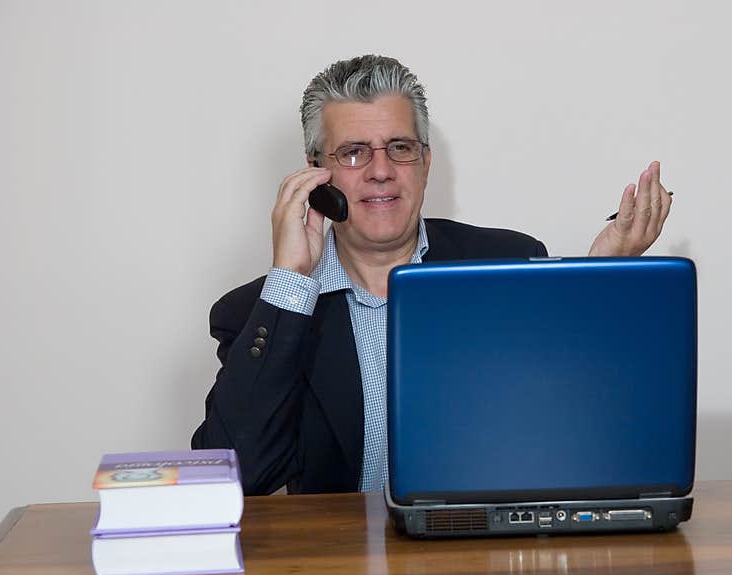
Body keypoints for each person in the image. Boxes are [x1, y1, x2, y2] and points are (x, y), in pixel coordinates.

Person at [191, 55, 673, 495]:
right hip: (345, 570)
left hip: (481, 562)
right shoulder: (261, 310)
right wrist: (291, 280)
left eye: (400, 147)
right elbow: (239, 478)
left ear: (425, 163)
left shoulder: (506, 264)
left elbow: (572, 427)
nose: (381, 170)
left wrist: (598, 282)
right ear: (317, 172)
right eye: (355, 152)